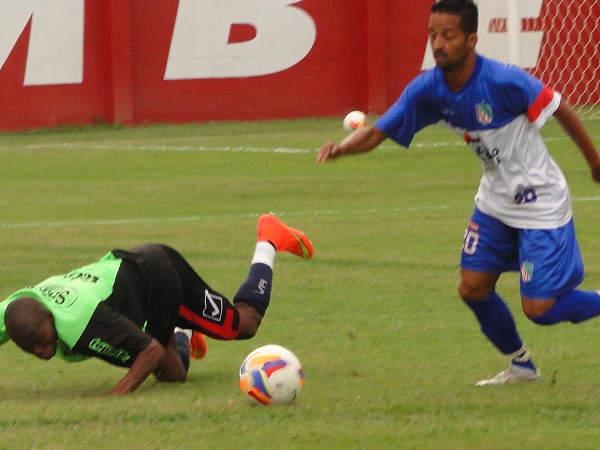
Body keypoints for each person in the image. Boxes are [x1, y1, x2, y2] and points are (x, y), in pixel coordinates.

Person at [318, 0, 600, 385]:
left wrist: (595, 163)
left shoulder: (505, 81)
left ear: (472, 39)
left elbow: (561, 109)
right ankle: (521, 366)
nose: (438, 44)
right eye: (432, 34)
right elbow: (378, 130)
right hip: (495, 200)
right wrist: (343, 148)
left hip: (541, 201)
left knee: (540, 308)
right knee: (472, 288)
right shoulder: (429, 89)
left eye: (448, 36)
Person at [0, 214, 314, 395]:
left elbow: (148, 351)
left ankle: (269, 239)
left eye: (41, 341)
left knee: (245, 324)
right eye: (29, 348)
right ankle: (184, 331)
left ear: (49, 317)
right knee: (173, 376)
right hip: (131, 289)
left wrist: (115, 397)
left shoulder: (81, 319)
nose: (41, 352)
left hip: (159, 276)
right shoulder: (13, 312)